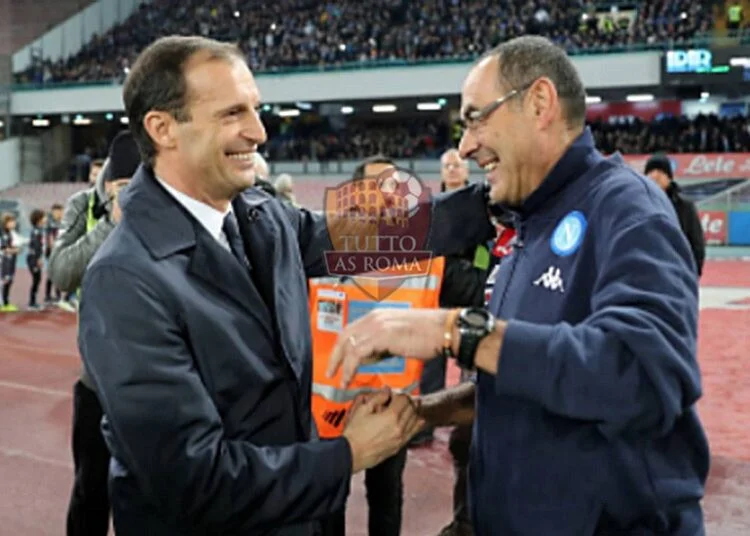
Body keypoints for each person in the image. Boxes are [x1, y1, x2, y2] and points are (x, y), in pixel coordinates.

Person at [76, 35, 491, 536]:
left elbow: (376, 231)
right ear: (162, 128)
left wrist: (496, 199)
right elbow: (193, 482)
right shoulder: (124, 280)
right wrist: (349, 454)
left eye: (255, 109)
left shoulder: (263, 216)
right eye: (233, 114)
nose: (258, 132)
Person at [327, 36, 709, 536]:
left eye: (476, 118)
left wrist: (453, 329)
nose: (465, 145)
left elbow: (641, 374)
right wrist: (424, 412)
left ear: (540, 103)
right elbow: (524, 377)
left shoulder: (626, 208)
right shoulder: (526, 224)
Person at [48, 130, 140, 536]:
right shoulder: (83, 206)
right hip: (97, 382)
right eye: (124, 186)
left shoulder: (165, 208)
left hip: (155, 382)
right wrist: (111, 221)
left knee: (145, 495)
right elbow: (62, 274)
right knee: (91, 490)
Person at [644, 154, 705, 276]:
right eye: (650, 171)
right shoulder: (639, 204)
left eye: (660, 171)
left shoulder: (684, 207)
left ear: (669, 177)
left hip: (678, 273)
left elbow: (696, 243)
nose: (655, 175)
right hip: (647, 274)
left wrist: (693, 274)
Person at [26, 209, 47, 310]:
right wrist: (38, 259)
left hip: (35, 258)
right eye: (44, 217)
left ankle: (33, 301)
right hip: (33, 259)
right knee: (36, 280)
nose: (45, 219)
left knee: (37, 279)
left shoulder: (39, 230)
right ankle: (31, 303)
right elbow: (36, 246)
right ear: (38, 219)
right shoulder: (36, 231)